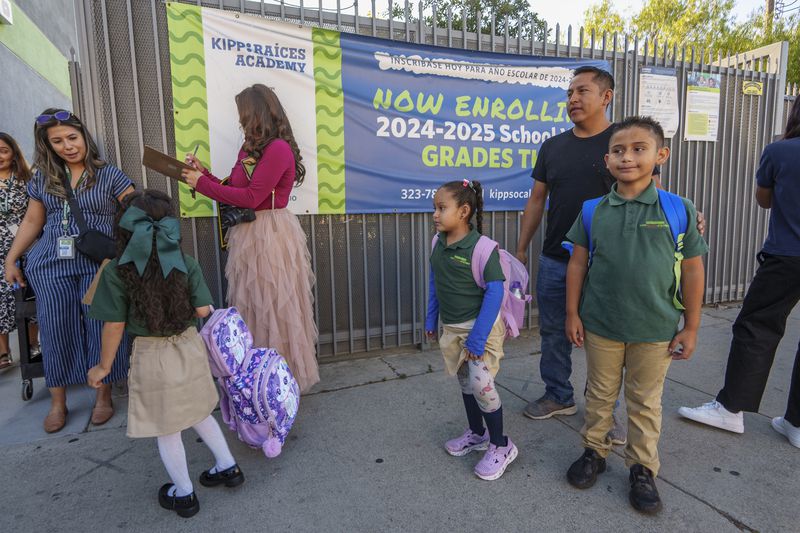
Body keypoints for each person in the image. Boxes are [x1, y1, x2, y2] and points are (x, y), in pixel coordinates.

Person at [515, 67, 704, 437]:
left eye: (581, 91)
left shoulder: (623, 141)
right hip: (559, 259)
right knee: (556, 330)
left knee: (611, 339)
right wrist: (522, 248)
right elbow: (537, 199)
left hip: (611, 266)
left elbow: (656, 194)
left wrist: (689, 214)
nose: (572, 99)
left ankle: (604, 412)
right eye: (569, 92)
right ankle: (558, 394)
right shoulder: (553, 147)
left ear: (606, 96)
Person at [562, 117, 707, 514]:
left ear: (661, 155)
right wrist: (572, 312)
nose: (627, 157)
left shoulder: (679, 209)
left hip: (655, 329)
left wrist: (691, 326)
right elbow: (577, 264)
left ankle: (642, 467)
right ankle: (594, 450)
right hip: (601, 326)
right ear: (607, 160)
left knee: (644, 401)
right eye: (619, 150)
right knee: (599, 394)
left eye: (638, 148)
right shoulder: (593, 210)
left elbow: (693, 269)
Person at [87, 189, 243, 519]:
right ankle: (228, 467)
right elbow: (204, 310)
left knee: (167, 427)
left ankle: (183, 494)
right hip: (189, 346)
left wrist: (103, 366)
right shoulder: (185, 263)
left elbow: (113, 325)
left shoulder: (117, 271)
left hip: (152, 355)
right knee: (200, 413)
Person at [678, 96, 800, 448]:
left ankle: (731, 409)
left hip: (787, 255)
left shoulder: (781, 151)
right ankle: (796, 422)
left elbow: (764, 199)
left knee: (758, 327)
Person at [182, 84, 319, 392]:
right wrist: (204, 173)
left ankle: (281, 380)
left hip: (270, 234)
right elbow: (234, 188)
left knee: (274, 307)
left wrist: (202, 184)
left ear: (256, 113)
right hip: (249, 233)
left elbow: (252, 196)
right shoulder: (250, 147)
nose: (240, 119)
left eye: (243, 113)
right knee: (253, 308)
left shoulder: (278, 149)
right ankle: (258, 378)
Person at [4, 109, 134, 432]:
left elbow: (136, 210)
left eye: (72, 138)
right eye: (58, 141)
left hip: (99, 264)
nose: (68, 146)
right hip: (51, 264)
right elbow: (33, 221)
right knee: (54, 328)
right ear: (48, 144)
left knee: (100, 325)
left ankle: (103, 395)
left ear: (84, 136)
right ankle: (58, 401)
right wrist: (11, 258)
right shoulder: (43, 178)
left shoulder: (108, 174)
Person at [425, 179, 518, 481]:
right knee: (465, 383)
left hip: (481, 330)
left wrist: (477, 338)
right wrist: (430, 319)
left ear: (464, 211)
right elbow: (435, 284)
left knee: (482, 385)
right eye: (434, 208)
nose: (435, 215)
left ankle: (501, 444)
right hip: (453, 328)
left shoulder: (483, 249)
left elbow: (495, 294)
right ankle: (477, 433)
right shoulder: (437, 243)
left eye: (442, 208)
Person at [0, 132, 37, 369]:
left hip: (26, 247)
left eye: (3, 150)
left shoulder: (27, 180)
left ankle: (33, 344)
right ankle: (3, 353)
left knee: (30, 295)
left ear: (13, 153)